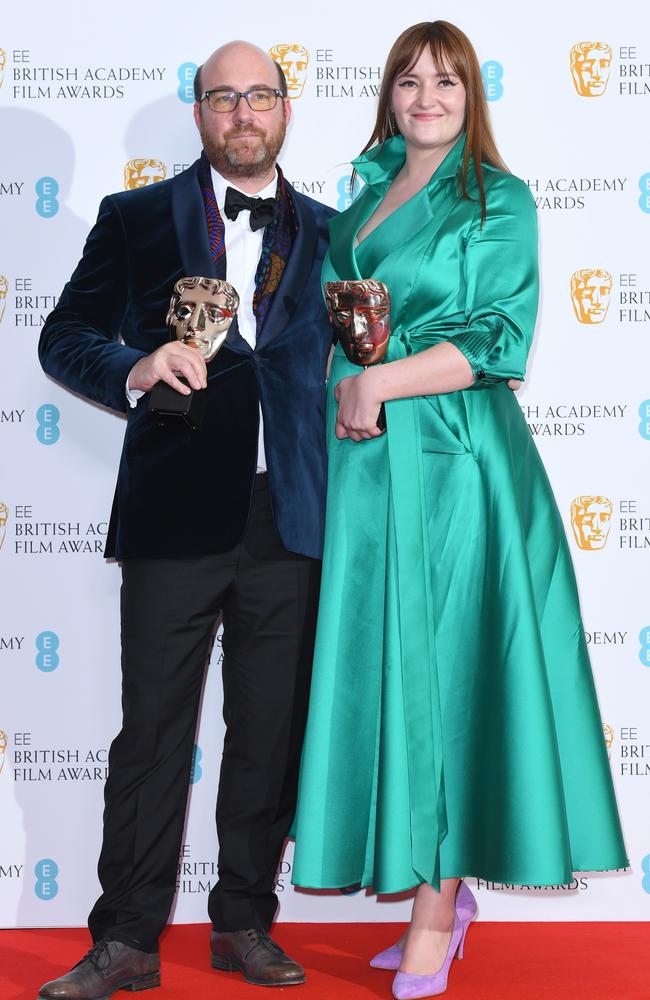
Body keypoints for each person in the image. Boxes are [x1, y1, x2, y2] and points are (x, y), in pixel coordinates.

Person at [291, 20, 628, 1000]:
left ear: (470, 95)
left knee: (441, 674)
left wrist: (376, 385)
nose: (425, 98)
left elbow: (496, 339)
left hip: (454, 463)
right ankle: (428, 890)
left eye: (444, 82)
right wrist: (339, 395)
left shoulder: (498, 199)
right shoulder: (361, 204)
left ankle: (437, 908)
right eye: (408, 82)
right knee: (391, 677)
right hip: (368, 468)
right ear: (386, 96)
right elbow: (340, 324)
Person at [37, 40, 335, 999]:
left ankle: (244, 921)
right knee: (153, 732)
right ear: (198, 111)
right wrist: (135, 365)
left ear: (284, 108)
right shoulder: (134, 218)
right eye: (223, 98)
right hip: (172, 515)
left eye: (259, 97)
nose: (242, 113)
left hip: (289, 516)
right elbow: (63, 338)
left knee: (268, 731)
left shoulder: (336, 232)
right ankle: (124, 939)